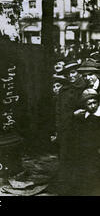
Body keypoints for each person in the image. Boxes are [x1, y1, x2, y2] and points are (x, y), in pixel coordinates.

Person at [55, 60, 86, 195]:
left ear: (78, 72)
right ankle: (65, 189)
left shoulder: (85, 88)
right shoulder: (64, 90)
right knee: (65, 159)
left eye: (73, 72)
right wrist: (57, 130)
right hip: (66, 129)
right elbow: (58, 111)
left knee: (80, 158)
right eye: (68, 74)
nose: (71, 76)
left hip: (81, 130)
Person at [72, 89, 100, 195]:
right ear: (84, 105)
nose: (93, 106)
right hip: (86, 149)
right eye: (89, 103)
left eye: (95, 103)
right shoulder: (83, 116)